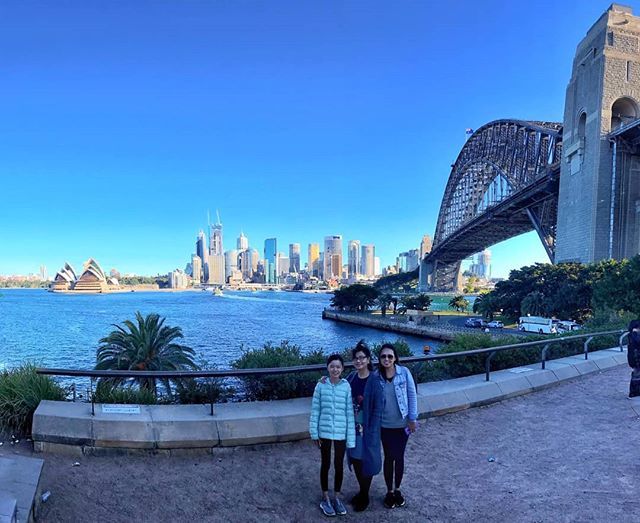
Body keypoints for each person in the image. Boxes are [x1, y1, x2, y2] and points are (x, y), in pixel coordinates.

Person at [309, 354, 356, 517]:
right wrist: (314, 433)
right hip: (324, 432)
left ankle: (337, 496)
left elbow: (349, 413)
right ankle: (325, 496)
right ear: (327, 368)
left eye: (338, 366)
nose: (335, 369)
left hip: (341, 433)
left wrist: (350, 438)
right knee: (326, 463)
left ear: (342, 369)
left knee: (338, 465)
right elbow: (315, 410)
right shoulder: (321, 385)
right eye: (332, 366)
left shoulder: (346, 386)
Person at [378, 343, 418, 509]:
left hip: (402, 424)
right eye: (383, 356)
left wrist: (412, 418)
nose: (386, 359)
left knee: (399, 456)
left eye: (390, 356)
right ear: (379, 359)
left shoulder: (404, 373)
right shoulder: (376, 376)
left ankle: (398, 489)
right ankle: (388, 491)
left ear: (395, 358)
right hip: (384, 424)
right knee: (388, 457)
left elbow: (412, 395)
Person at [345, 340, 383, 512]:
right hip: (352, 429)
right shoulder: (351, 378)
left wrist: (373, 429)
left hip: (367, 430)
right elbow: (338, 389)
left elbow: (378, 407)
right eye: (356, 358)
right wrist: (324, 380)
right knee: (356, 460)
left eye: (362, 358)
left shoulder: (374, 380)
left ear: (368, 359)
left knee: (366, 460)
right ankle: (362, 491)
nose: (359, 361)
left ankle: (365, 495)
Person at [628, 320, 640, 398]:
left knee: (637, 374)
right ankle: (634, 392)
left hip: (634, 358)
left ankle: (635, 391)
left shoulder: (631, 335)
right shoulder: (634, 335)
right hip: (636, 358)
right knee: (636, 374)